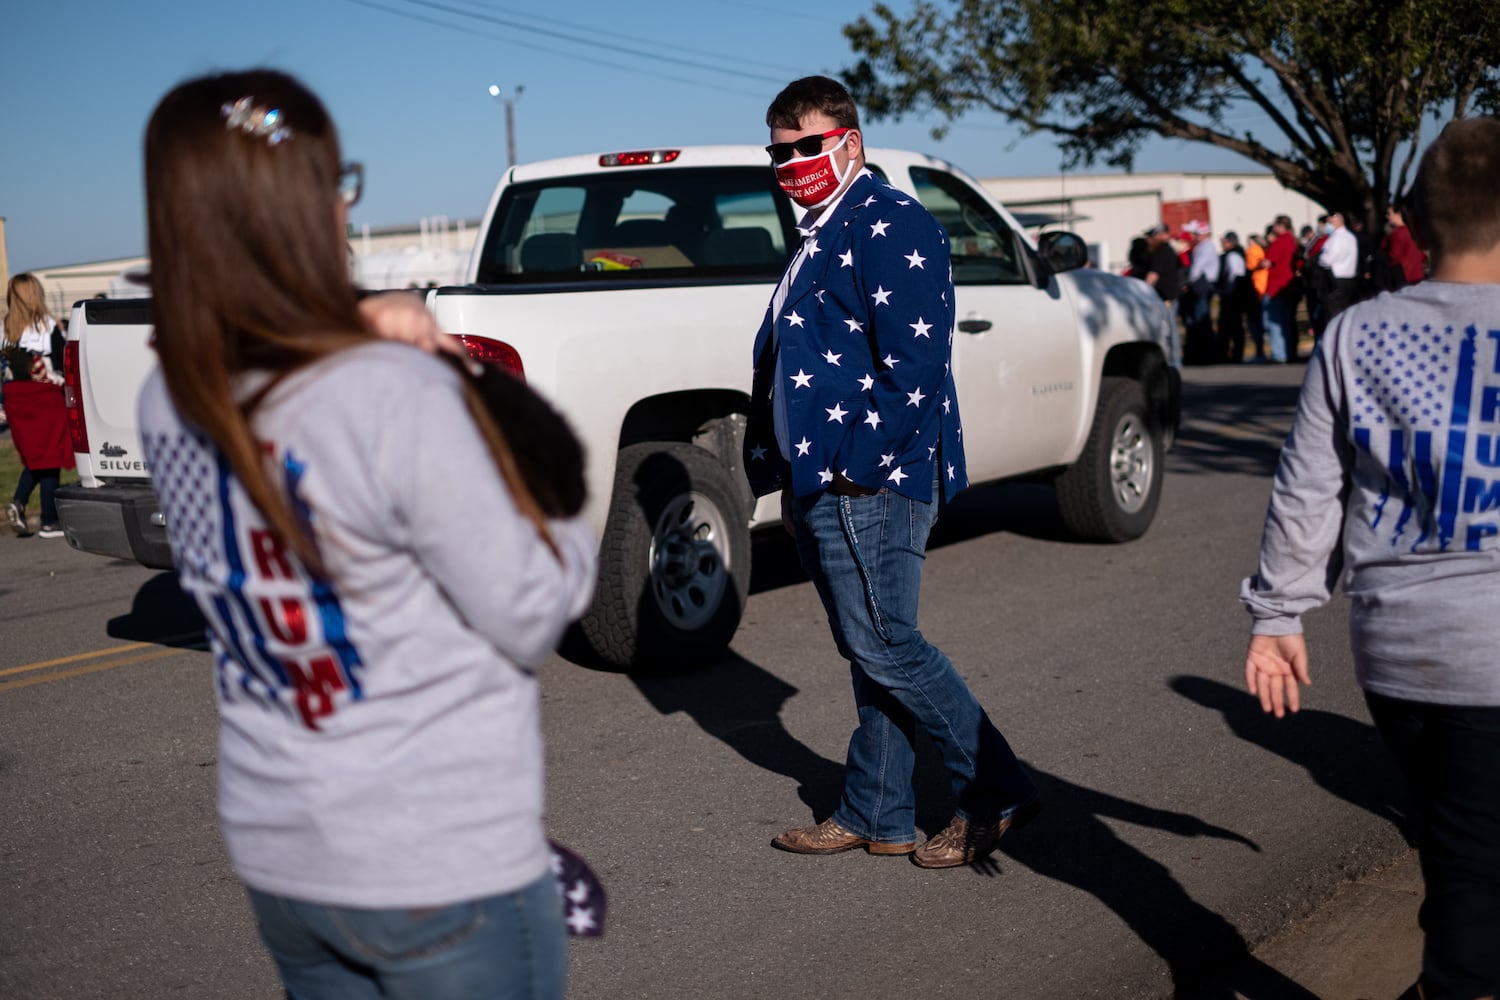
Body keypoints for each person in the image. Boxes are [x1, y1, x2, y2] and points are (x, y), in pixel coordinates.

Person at [136, 69, 597, 998]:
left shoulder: (170, 393)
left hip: (284, 855)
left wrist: (356, 329)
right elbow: (533, 605)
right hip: (438, 864)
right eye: (336, 185)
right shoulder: (394, 393)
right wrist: (479, 389)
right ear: (304, 206)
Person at [743, 75, 1037, 869]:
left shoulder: (889, 221)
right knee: (869, 648)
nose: (794, 161)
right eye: (781, 151)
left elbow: (916, 366)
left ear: (851, 141)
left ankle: (996, 790)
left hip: (873, 476)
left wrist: (856, 469)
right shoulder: (818, 232)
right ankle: (879, 809)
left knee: (889, 644)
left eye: (809, 144)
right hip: (824, 479)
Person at [1239, 116, 1500, 1000]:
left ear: (1417, 226)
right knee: (1472, 865)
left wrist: (1279, 614)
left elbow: (1308, 488)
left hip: (1396, 657)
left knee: (1455, 843)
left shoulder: (1356, 334)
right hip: (1490, 661)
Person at [2, 346, 71, 538]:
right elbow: (46, 376)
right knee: (49, 462)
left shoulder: (15, 354)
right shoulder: (36, 356)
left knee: (39, 461)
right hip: (41, 403)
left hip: (23, 400)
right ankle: (49, 521)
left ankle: (19, 501)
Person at [1182, 221, 1221, 365]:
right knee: (1202, 320)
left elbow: (1196, 269)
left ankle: (1207, 355)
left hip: (1203, 287)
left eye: (1197, 234)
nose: (1195, 236)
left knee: (1202, 321)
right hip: (1205, 286)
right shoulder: (1206, 247)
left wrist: (1188, 282)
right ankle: (1206, 354)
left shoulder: (1205, 248)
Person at [1262, 216, 1299, 362]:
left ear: (1280, 226)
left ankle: (1280, 354)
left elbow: (1268, 262)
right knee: (1287, 322)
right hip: (1288, 285)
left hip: (1276, 286)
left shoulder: (1280, 242)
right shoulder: (1292, 241)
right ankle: (1289, 352)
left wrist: (1257, 262)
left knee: (1274, 322)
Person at [1317, 210, 1361, 321]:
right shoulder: (1350, 237)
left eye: (1331, 221)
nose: (1328, 223)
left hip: (1335, 279)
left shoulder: (1337, 238)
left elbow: (1328, 259)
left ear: (1339, 221)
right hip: (1348, 279)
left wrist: (1320, 258)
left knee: (1334, 314)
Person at [1216, 231, 1249, 363]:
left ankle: (1235, 354)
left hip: (1233, 296)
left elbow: (1235, 275)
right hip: (1233, 294)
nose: (1222, 245)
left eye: (1224, 242)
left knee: (1232, 326)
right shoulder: (1235, 254)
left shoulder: (1233, 255)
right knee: (1233, 326)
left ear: (1230, 242)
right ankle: (1233, 353)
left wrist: (1228, 291)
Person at [1380, 198, 1427, 289]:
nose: (1387, 217)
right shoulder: (1411, 230)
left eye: (1389, 214)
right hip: (1416, 272)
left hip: (1403, 274)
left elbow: (1394, 255)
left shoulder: (1398, 233)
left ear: (1398, 214)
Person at [1243, 232, 1270, 361]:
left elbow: (1251, 265)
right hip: (1263, 288)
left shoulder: (1253, 250)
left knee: (1255, 322)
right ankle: (1261, 350)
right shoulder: (1263, 250)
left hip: (1256, 289)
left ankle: (1260, 351)